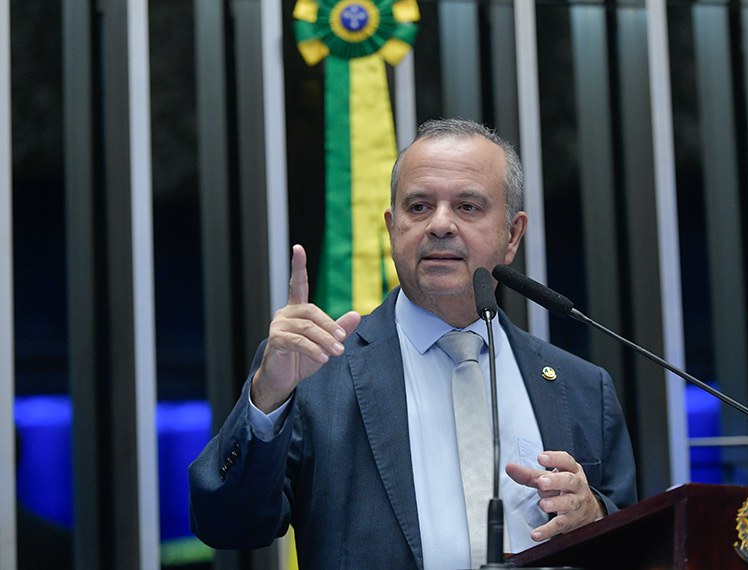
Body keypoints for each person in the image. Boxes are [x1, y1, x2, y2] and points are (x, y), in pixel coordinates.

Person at [189, 118, 637, 569]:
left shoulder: (582, 387)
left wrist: (593, 514)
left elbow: (638, 547)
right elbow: (228, 526)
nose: (440, 225)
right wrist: (267, 402)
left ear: (513, 235)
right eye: (419, 207)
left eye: (467, 207)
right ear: (391, 227)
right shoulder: (317, 371)